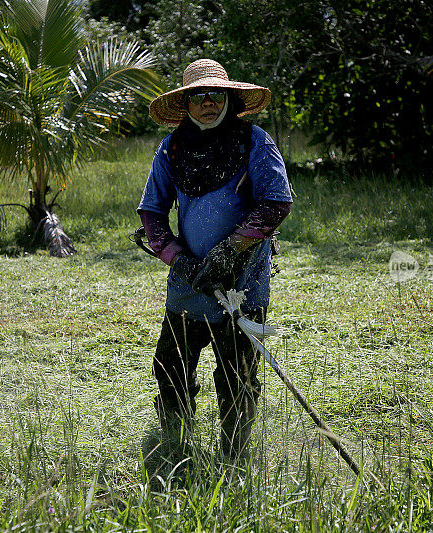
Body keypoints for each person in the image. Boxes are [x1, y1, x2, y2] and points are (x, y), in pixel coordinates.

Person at [138, 59, 292, 465]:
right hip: (189, 284)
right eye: (198, 96)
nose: (208, 102)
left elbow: (276, 202)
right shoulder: (171, 148)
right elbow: (151, 213)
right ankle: (175, 448)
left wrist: (230, 252)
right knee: (170, 368)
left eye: (215, 94)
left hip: (245, 284)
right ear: (186, 103)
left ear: (228, 98)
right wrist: (178, 259)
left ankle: (235, 457)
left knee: (238, 376)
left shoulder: (255, 141)